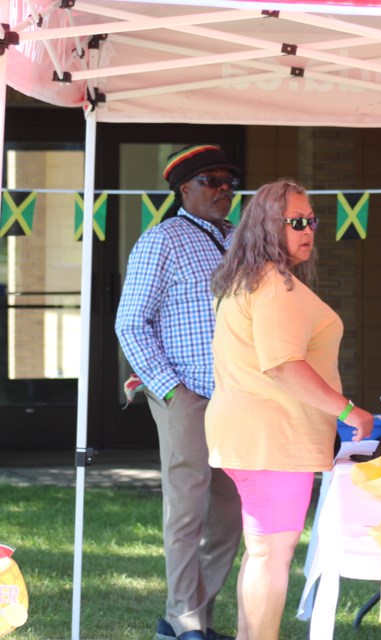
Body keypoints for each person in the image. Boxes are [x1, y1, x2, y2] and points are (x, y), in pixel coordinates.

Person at [205, 179, 374, 640]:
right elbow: (283, 366)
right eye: (296, 222)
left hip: (256, 435)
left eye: (311, 221)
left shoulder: (254, 278)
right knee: (270, 555)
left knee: (261, 551)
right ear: (265, 225)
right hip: (272, 438)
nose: (308, 230)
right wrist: (349, 412)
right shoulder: (274, 285)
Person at [116, 144, 243, 640]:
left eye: (229, 181)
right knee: (187, 509)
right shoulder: (161, 240)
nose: (224, 189)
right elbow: (130, 323)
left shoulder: (239, 240)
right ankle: (187, 621)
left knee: (230, 516)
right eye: (211, 181)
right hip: (185, 392)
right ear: (183, 189)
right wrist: (170, 391)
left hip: (238, 396)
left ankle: (186, 620)